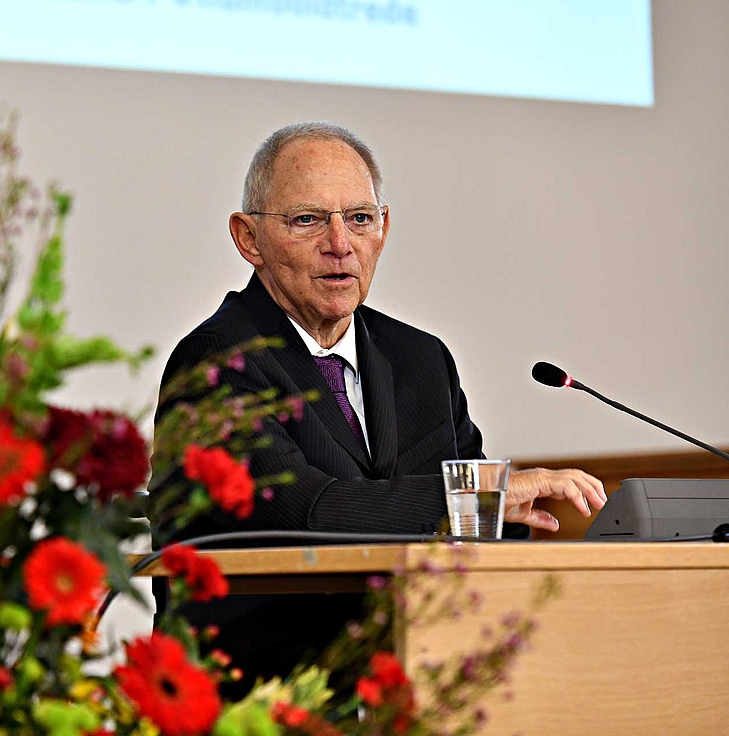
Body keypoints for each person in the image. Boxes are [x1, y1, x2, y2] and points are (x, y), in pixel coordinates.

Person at [150, 121, 606, 692]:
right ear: (248, 239)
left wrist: (502, 518)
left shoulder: (420, 359)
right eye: (307, 220)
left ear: (383, 229)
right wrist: (477, 496)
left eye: (360, 219)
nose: (340, 243)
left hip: (408, 683)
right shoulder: (216, 362)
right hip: (249, 697)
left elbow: (488, 527)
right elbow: (306, 516)